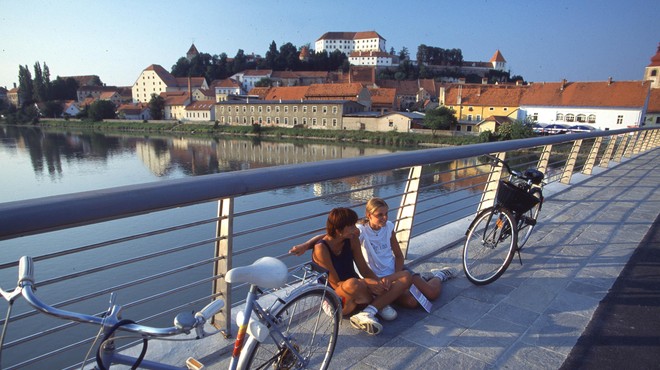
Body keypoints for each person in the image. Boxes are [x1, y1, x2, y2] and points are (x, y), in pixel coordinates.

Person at [290, 198, 456, 316]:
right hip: (354, 284)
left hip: (387, 275)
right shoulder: (356, 233)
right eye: (380, 215)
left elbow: (389, 259)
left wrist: (385, 280)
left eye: (386, 214)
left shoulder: (361, 234)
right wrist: (306, 245)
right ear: (368, 215)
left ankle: (437, 276)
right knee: (411, 302)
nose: (385, 218)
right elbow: (327, 240)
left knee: (427, 291)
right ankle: (377, 306)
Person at [310, 207, 411, 335]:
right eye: (351, 226)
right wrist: (366, 283)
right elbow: (335, 284)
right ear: (338, 230)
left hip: (358, 287)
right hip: (337, 298)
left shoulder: (351, 239)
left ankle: (368, 311)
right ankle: (377, 304)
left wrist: (378, 283)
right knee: (352, 284)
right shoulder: (321, 249)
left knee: (405, 276)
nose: (356, 230)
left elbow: (364, 269)